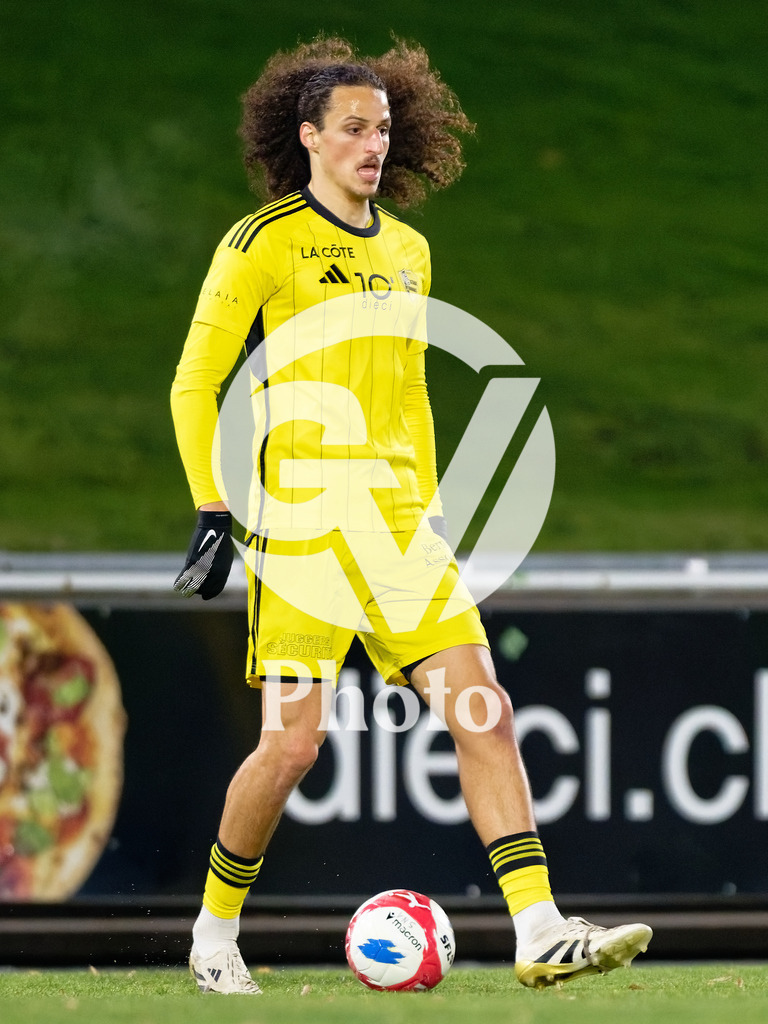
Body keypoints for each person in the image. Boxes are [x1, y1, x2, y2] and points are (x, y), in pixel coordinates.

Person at [170, 35, 652, 995]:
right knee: (294, 743)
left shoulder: (408, 251)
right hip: (301, 533)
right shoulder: (260, 243)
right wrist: (212, 509)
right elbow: (196, 382)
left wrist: (428, 509)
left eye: (383, 129)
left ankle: (538, 927)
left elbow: (411, 393)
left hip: (398, 533)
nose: (373, 146)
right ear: (308, 137)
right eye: (353, 128)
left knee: (486, 709)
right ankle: (215, 935)